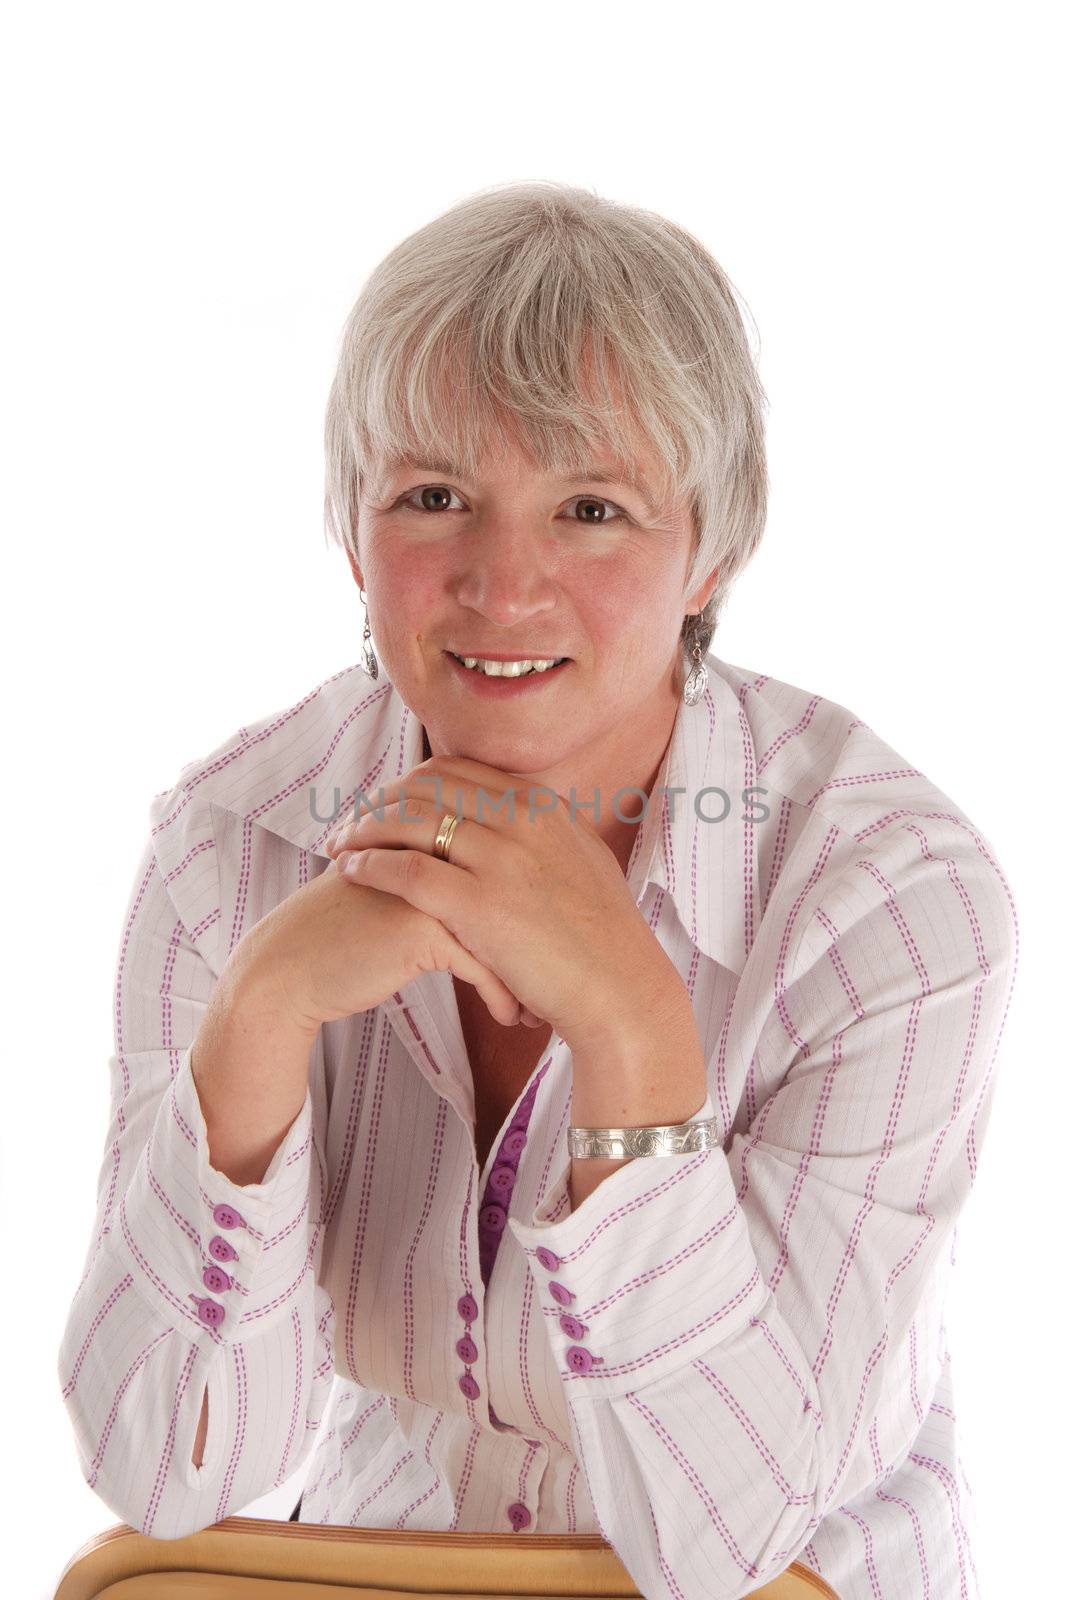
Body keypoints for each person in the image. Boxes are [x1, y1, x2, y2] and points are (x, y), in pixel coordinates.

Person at [56, 181, 1018, 1600]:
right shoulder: (231, 846)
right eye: (435, 497)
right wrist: (257, 1022)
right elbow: (170, 1472)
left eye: (592, 509)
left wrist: (635, 1038)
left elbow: (721, 1544)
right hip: (389, 1561)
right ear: (352, 534)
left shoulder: (894, 905)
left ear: (715, 553)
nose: (504, 587)